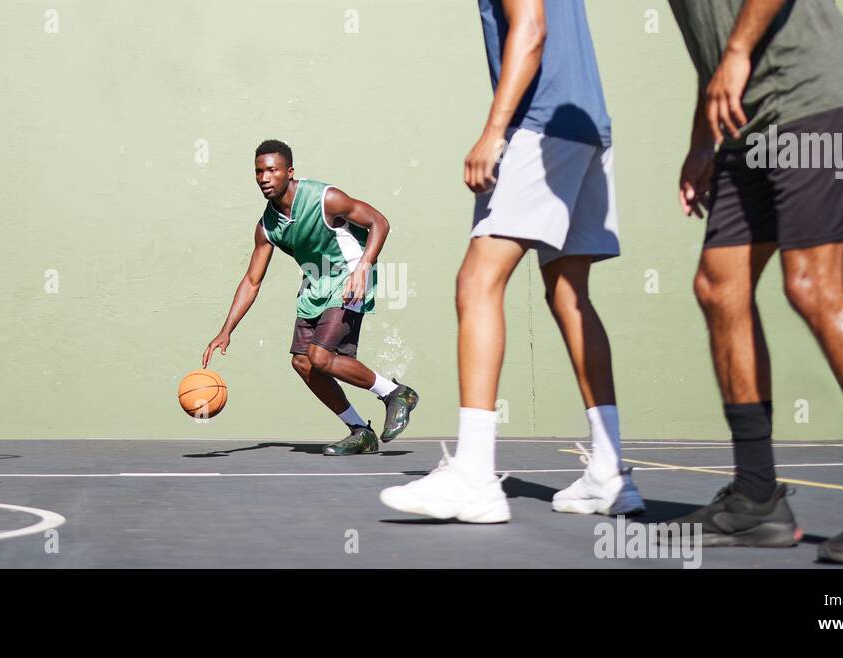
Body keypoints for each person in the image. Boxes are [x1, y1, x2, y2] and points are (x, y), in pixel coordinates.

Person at [667, 0, 843, 563]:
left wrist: (739, 51)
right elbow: (712, 43)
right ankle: (755, 501)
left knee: (811, 284)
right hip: (744, 125)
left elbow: (731, 45)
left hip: (815, 98)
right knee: (718, 285)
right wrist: (702, 140)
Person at [381, 0, 640, 523]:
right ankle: (609, 472)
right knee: (569, 293)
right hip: (589, 127)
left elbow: (531, 27)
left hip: (539, 125)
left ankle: (475, 475)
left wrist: (495, 130)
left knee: (477, 280)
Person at [202, 140, 418, 456]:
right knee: (303, 363)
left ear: (289, 172)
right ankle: (361, 431)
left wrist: (365, 265)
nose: (264, 177)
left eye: (272, 170)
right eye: (259, 171)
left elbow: (379, 222)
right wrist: (226, 330)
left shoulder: (324, 198)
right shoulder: (267, 227)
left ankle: (395, 393)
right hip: (316, 286)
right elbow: (252, 281)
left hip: (350, 277)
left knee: (319, 355)